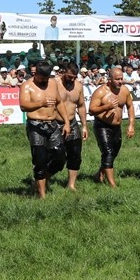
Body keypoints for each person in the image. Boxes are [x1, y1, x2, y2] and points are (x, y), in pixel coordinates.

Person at [19, 61, 69, 198]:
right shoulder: (27, 86)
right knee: (40, 160)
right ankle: (42, 195)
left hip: (52, 124)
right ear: (36, 74)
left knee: (60, 157)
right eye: (42, 78)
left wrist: (66, 122)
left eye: (47, 78)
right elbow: (23, 106)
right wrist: (41, 103)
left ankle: (41, 179)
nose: (45, 81)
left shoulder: (52, 83)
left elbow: (59, 103)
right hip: (36, 125)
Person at [88, 66, 135, 187]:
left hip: (117, 127)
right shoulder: (100, 92)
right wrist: (106, 107)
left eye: (121, 79)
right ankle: (112, 184)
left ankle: (99, 174)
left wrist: (131, 125)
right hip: (102, 126)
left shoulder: (124, 91)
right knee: (108, 152)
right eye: (117, 79)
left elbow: (130, 107)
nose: (120, 81)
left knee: (113, 152)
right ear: (110, 79)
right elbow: (91, 110)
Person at [54, 61, 88, 191]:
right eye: (69, 77)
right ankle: (43, 178)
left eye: (74, 77)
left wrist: (84, 125)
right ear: (63, 72)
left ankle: (71, 184)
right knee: (55, 154)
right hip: (55, 123)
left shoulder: (78, 86)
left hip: (72, 122)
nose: (71, 79)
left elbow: (81, 106)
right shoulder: (54, 83)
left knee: (75, 154)